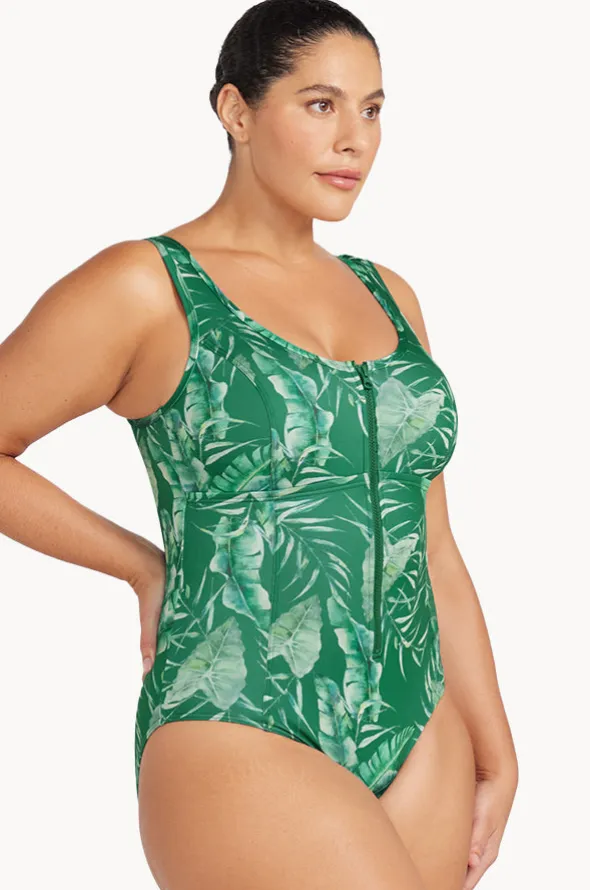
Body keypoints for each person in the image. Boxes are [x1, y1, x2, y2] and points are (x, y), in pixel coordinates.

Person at [0, 1, 518, 888]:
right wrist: (142, 566)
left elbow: (434, 546)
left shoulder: (390, 296)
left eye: (373, 110)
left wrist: (497, 751)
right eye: (321, 105)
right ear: (236, 111)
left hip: (420, 721)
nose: (354, 139)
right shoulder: (149, 285)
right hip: (237, 710)